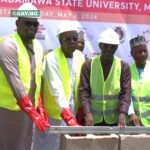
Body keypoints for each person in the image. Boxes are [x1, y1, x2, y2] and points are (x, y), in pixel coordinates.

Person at [0, 3, 49, 150]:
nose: (33, 27)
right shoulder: (8, 45)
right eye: (28, 23)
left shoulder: (38, 47)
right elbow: (16, 84)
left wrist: (39, 107)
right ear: (17, 23)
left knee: (25, 146)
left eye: (35, 24)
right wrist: (33, 113)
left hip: (28, 111)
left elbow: (35, 81)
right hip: (7, 109)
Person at [32, 22, 85, 150]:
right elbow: (56, 90)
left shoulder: (80, 56)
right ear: (60, 40)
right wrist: (68, 117)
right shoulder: (52, 58)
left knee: (65, 146)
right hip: (54, 113)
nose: (72, 42)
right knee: (48, 146)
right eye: (68, 39)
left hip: (72, 113)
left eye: (74, 39)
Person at [79, 28, 131, 127]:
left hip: (115, 120)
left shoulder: (123, 66)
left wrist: (123, 112)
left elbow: (126, 92)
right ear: (100, 45)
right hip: (93, 120)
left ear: (116, 47)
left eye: (112, 47)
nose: (109, 49)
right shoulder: (88, 65)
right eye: (106, 46)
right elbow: (83, 91)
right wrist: (87, 113)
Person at [128, 35, 150, 126]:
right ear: (132, 53)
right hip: (133, 123)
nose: (143, 54)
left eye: (145, 51)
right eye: (139, 51)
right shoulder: (127, 70)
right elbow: (126, 95)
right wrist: (131, 113)